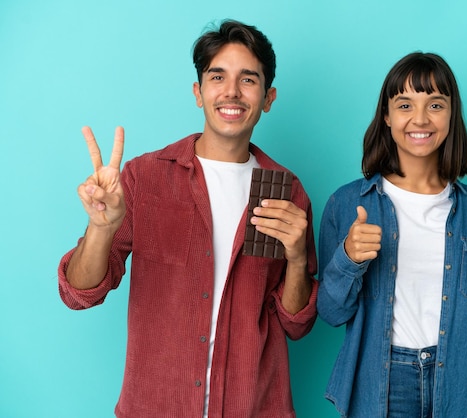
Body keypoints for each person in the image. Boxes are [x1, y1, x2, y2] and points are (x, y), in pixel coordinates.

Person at [58, 20, 318, 418]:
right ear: (199, 93)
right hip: (157, 405)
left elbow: (296, 324)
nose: (231, 91)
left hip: (255, 406)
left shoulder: (286, 190)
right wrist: (101, 228)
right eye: (218, 77)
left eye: (248, 80)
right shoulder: (144, 177)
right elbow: (80, 294)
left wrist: (298, 258)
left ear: (268, 98)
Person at [316, 52, 467, 418]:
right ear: (386, 115)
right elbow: (331, 312)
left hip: (460, 383)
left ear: (451, 115)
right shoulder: (348, 203)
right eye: (405, 104)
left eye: (435, 104)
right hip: (381, 384)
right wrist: (349, 259)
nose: (420, 118)